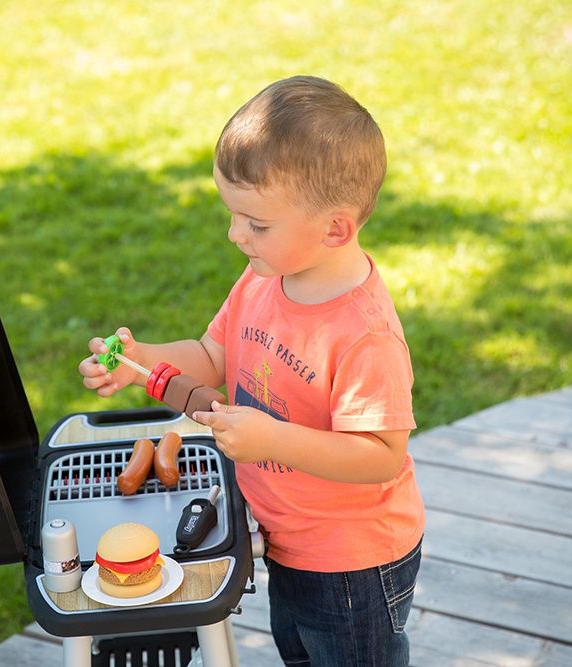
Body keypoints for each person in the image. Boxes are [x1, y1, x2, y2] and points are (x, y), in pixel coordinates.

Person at [79, 75, 424, 666]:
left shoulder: (364, 334)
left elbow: (380, 456)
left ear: (335, 228)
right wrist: (141, 361)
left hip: (351, 563)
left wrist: (273, 440)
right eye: (233, 215)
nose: (235, 235)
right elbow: (212, 356)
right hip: (286, 538)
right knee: (300, 655)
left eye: (256, 224)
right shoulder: (266, 278)